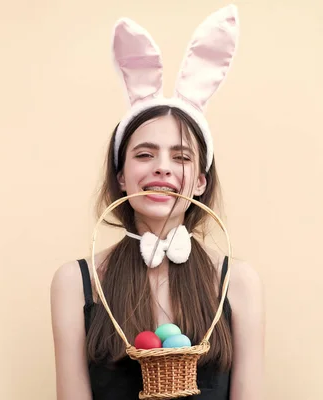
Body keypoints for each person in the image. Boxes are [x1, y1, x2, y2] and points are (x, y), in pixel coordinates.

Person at [50, 5, 265, 399]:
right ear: (121, 175)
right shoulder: (75, 284)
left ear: (200, 182)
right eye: (145, 155)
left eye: (180, 157)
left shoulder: (239, 283)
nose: (163, 169)